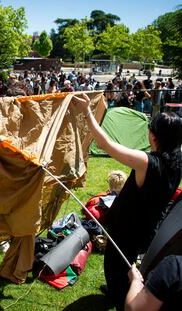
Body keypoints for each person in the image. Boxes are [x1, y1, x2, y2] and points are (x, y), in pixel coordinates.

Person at [74, 93, 182, 310]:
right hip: (149, 226)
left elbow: (104, 143)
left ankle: (120, 297)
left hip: (128, 227)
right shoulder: (177, 160)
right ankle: (120, 290)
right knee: (126, 263)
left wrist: (87, 111)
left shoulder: (147, 162)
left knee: (116, 264)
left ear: (153, 135)